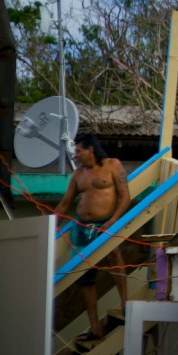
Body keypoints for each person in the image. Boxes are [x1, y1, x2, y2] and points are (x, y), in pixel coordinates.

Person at [53, 133, 131, 341]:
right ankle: (95, 327)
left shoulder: (113, 165)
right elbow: (65, 203)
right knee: (85, 277)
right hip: (80, 227)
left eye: (78, 150)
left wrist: (113, 220)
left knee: (114, 257)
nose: (75, 155)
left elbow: (125, 196)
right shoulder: (77, 174)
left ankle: (125, 303)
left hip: (105, 224)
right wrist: (50, 228)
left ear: (90, 149)